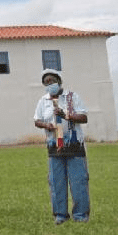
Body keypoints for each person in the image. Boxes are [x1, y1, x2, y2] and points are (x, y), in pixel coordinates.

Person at [33, 69, 90, 225]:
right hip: (54, 147)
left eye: (52, 81)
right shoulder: (43, 101)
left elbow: (83, 117)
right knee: (56, 181)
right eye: (46, 82)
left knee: (78, 181)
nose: (49, 84)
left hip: (74, 145)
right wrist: (46, 125)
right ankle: (60, 215)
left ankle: (80, 215)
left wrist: (66, 115)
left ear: (59, 81)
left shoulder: (72, 97)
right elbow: (37, 120)